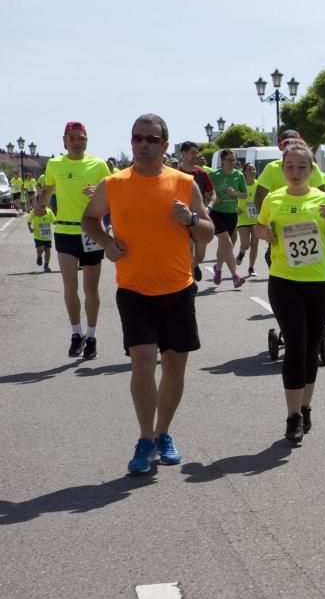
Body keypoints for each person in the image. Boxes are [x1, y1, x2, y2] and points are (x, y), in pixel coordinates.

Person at [81, 113, 216, 474]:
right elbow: (89, 219)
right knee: (142, 364)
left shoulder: (185, 183)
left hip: (178, 288)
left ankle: (163, 434)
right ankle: (144, 438)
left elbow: (207, 232)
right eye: (137, 138)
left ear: (164, 146)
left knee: (174, 369)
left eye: (151, 139)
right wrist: (107, 242)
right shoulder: (114, 183)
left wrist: (189, 220)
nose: (143, 144)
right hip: (134, 289)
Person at [256, 139, 325, 444]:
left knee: (311, 348)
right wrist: (265, 233)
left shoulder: (324, 200)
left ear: (312, 169)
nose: (295, 171)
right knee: (295, 345)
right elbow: (259, 227)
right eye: (289, 166)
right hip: (283, 280)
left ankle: (306, 406)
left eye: (302, 166)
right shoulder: (274, 199)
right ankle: (292, 416)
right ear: (282, 169)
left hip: (318, 282)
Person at [35, 121, 113, 359]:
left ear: (87, 140)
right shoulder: (54, 164)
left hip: (91, 232)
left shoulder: (99, 165)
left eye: (82, 138)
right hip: (65, 231)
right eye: (73, 138)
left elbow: (112, 197)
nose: (77, 142)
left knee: (91, 289)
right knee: (70, 286)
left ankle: (91, 336)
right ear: (65, 140)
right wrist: (40, 204)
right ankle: (76, 334)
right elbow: (48, 189)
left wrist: (99, 194)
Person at [207, 149, 247, 288]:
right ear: (222, 161)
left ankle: (218, 269)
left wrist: (235, 193)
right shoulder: (214, 175)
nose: (232, 162)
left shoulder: (239, 175)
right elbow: (206, 193)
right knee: (227, 242)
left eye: (234, 160)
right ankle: (235, 276)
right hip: (216, 213)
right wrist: (212, 199)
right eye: (229, 160)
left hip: (232, 214)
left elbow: (245, 195)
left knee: (224, 245)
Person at [177, 141, 216, 281]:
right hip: (182, 220)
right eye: (193, 153)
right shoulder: (176, 174)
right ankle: (190, 283)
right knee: (188, 251)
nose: (196, 156)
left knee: (200, 255)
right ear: (183, 153)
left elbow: (212, 193)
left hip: (199, 219)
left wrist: (209, 207)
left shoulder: (201, 173)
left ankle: (194, 265)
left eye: (196, 153)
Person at [235, 161, 260, 276]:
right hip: (243, 217)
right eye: (249, 169)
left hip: (256, 218)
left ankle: (251, 268)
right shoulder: (240, 185)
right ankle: (241, 252)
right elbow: (232, 198)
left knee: (255, 244)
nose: (252, 171)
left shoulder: (259, 185)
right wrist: (236, 208)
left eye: (254, 169)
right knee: (245, 244)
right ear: (244, 172)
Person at [28, 204, 56, 271]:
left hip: (47, 236)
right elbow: (29, 220)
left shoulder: (49, 211)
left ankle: (46, 265)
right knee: (40, 249)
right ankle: (39, 256)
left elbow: (54, 221)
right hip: (38, 235)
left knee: (47, 250)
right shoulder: (34, 211)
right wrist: (30, 228)